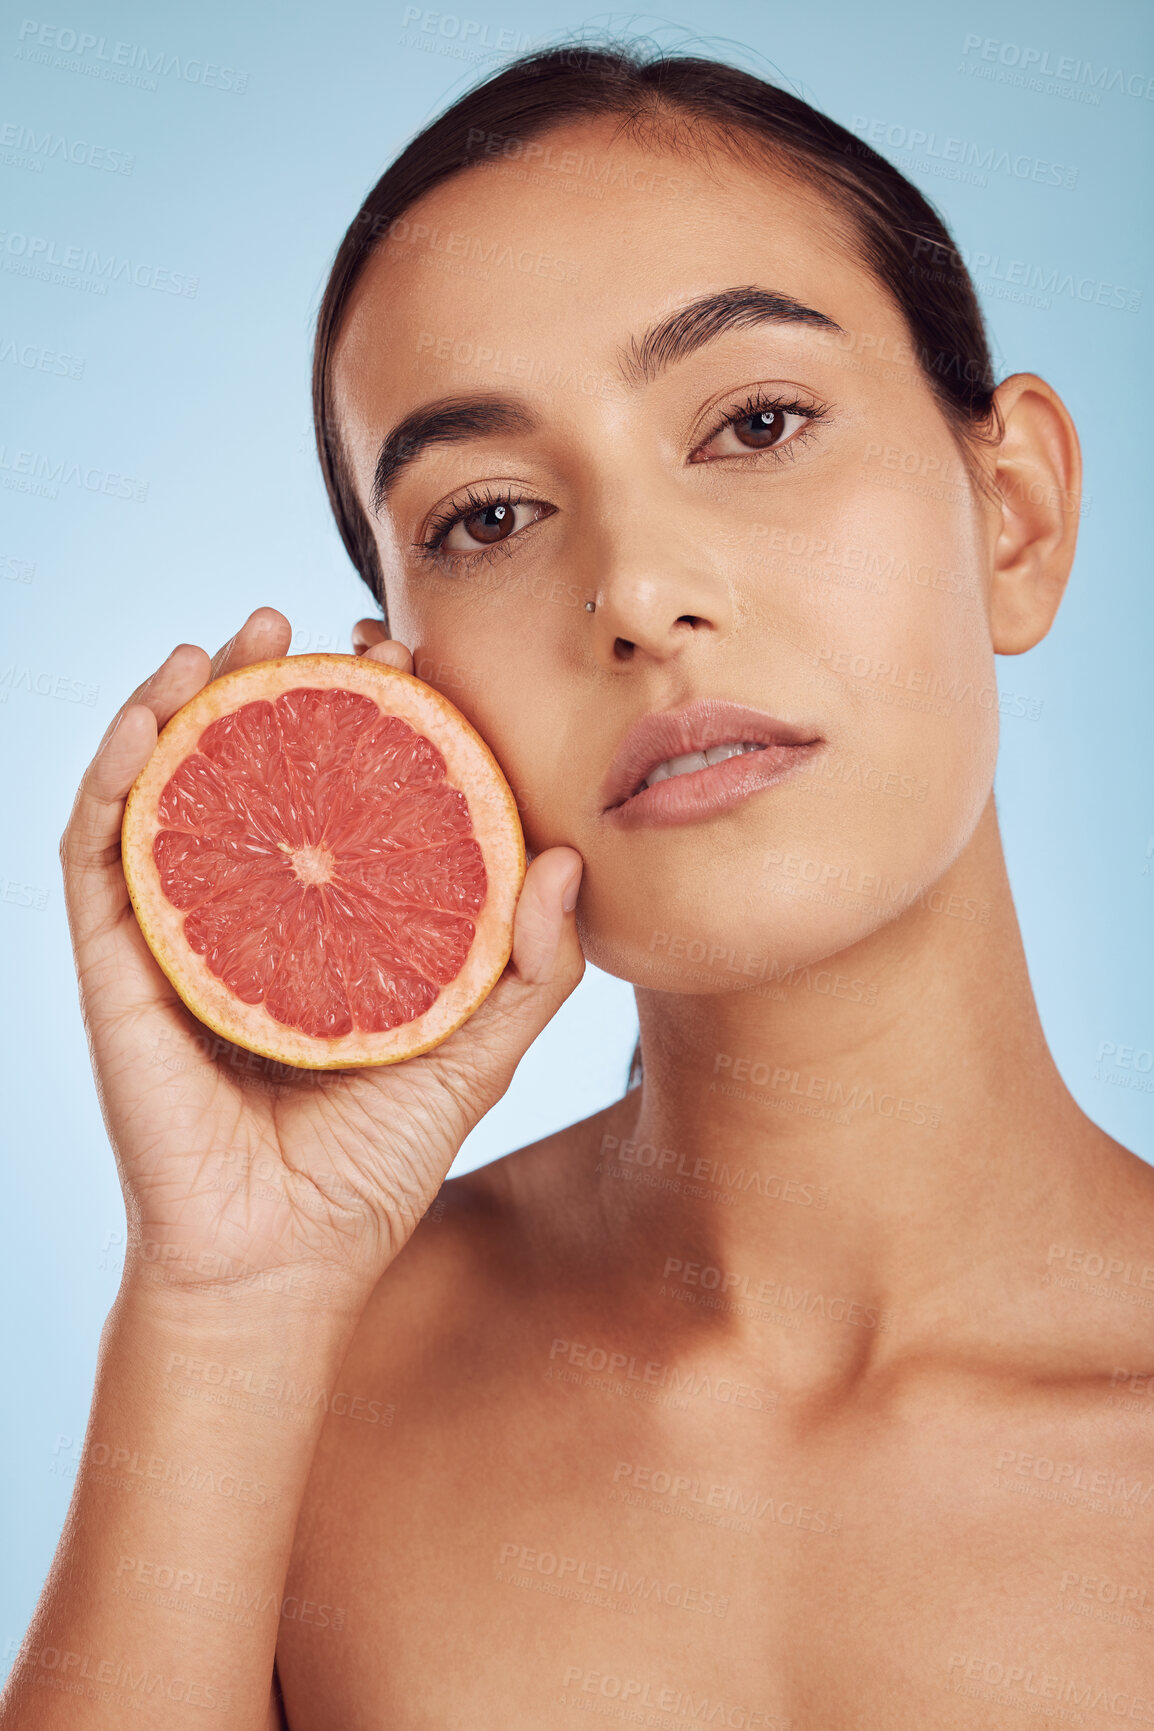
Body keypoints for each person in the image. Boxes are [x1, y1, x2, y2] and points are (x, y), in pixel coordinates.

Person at [4, 41, 1151, 1731]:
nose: (635, 590)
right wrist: (224, 1302)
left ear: (1012, 517)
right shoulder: (282, 1393)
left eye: (754, 422)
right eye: (486, 516)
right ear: (405, 690)